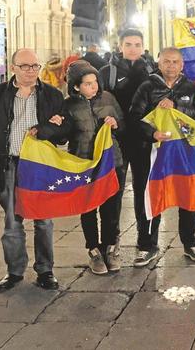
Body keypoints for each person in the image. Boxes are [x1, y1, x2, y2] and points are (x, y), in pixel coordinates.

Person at [0, 48, 64, 292]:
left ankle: (45, 270)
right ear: (12, 67)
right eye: (24, 66)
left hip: (39, 165)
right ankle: (14, 271)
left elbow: (64, 132)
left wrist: (46, 129)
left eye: (34, 66)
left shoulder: (52, 95)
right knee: (12, 222)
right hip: (9, 163)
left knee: (44, 220)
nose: (30, 71)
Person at [130, 48, 195, 264]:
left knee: (187, 195)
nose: (171, 66)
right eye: (166, 61)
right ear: (159, 62)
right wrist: (152, 133)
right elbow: (134, 117)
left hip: (184, 151)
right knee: (151, 194)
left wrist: (179, 107)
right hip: (155, 152)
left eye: (175, 62)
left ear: (182, 65)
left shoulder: (191, 88)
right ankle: (146, 245)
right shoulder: (147, 86)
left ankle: (191, 242)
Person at [47, 62, 126, 275]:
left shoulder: (108, 99)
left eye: (95, 82)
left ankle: (110, 247)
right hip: (84, 163)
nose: (93, 87)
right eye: (88, 84)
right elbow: (63, 137)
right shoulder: (69, 105)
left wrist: (115, 123)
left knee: (111, 208)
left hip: (111, 162)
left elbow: (123, 125)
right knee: (88, 208)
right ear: (75, 87)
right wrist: (57, 124)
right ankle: (94, 250)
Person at [99, 29, 156, 267]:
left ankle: (146, 244)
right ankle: (111, 242)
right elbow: (97, 101)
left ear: (143, 47)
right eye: (128, 44)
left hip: (144, 141)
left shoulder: (153, 72)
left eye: (137, 44)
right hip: (117, 142)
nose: (133, 48)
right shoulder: (107, 73)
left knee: (146, 193)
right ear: (120, 46)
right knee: (112, 193)